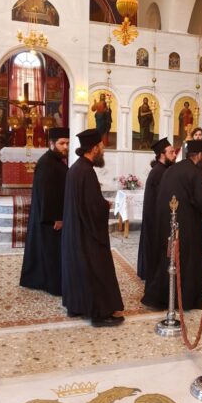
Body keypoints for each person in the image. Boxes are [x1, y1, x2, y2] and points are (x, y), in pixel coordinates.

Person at [142, 139, 202, 311]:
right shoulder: (194, 172)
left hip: (167, 223)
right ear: (200, 155)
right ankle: (186, 300)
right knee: (187, 262)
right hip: (187, 226)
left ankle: (163, 297)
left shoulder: (172, 169)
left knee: (169, 260)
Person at [61, 128, 124, 327]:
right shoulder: (86, 171)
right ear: (94, 148)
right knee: (96, 269)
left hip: (75, 230)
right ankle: (100, 314)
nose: (103, 150)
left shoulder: (75, 168)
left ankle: (77, 306)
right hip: (87, 233)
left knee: (78, 269)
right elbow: (92, 207)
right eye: (102, 147)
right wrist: (105, 205)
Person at [20, 127, 70, 296]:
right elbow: (46, 194)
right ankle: (53, 285)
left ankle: (46, 280)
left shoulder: (55, 160)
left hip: (52, 215)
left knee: (49, 250)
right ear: (51, 143)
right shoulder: (47, 163)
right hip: (50, 218)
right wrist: (57, 218)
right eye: (62, 143)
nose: (65, 147)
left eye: (67, 143)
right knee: (50, 251)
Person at [137, 137, 176, 281]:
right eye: (171, 152)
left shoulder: (163, 169)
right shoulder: (159, 172)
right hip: (155, 219)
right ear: (162, 155)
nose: (175, 155)